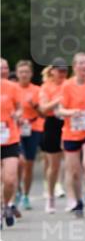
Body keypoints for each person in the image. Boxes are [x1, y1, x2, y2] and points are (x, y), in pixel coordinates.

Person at [57, 52, 85, 216]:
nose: (84, 66)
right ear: (74, 66)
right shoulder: (67, 85)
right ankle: (78, 201)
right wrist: (71, 112)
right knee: (75, 173)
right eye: (80, 63)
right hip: (71, 132)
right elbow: (60, 109)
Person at [38, 58, 69, 214]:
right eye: (60, 70)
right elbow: (43, 108)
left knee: (71, 163)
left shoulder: (69, 84)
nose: (63, 73)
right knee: (54, 165)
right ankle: (50, 196)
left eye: (65, 70)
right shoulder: (46, 87)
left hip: (69, 123)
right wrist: (58, 100)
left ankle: (72, 198)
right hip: (52, 124)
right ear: (52, 71)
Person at [14, 60, 44, 211]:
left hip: (34, 128)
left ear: (31, 74)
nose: (24, 74)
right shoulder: (13, 89)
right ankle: (17, 190)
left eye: (27, 72)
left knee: (29, 164)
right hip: (16, 129)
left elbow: (43, 113)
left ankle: (25, 194)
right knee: (21, 161)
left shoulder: (37, 90)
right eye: (21, 72)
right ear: (17, 74)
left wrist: (35, 105)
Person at [1, 67, 22, 227]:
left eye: (5, 68)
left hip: (10, 138)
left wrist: (18, 114)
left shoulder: (12, 87)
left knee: (10, 179)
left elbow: (20, 107)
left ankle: (6, 204)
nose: (3, 71)